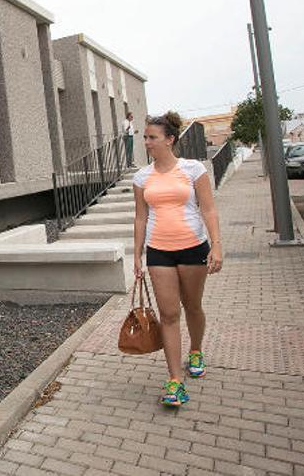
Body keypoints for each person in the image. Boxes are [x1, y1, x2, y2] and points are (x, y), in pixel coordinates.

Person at [131, 111, 223, 407]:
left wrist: (216, 246)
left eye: (152, 137)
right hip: (158, 251)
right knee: (168, 315)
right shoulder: (142, 177)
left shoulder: (194, 169)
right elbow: (140, 218)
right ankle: (175, 380)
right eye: (145, 137)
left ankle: (195, 349)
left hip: (193, 247)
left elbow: (208, 209)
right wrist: (137, 255)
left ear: (170, 140)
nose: (146, 142)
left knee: (192, 306)